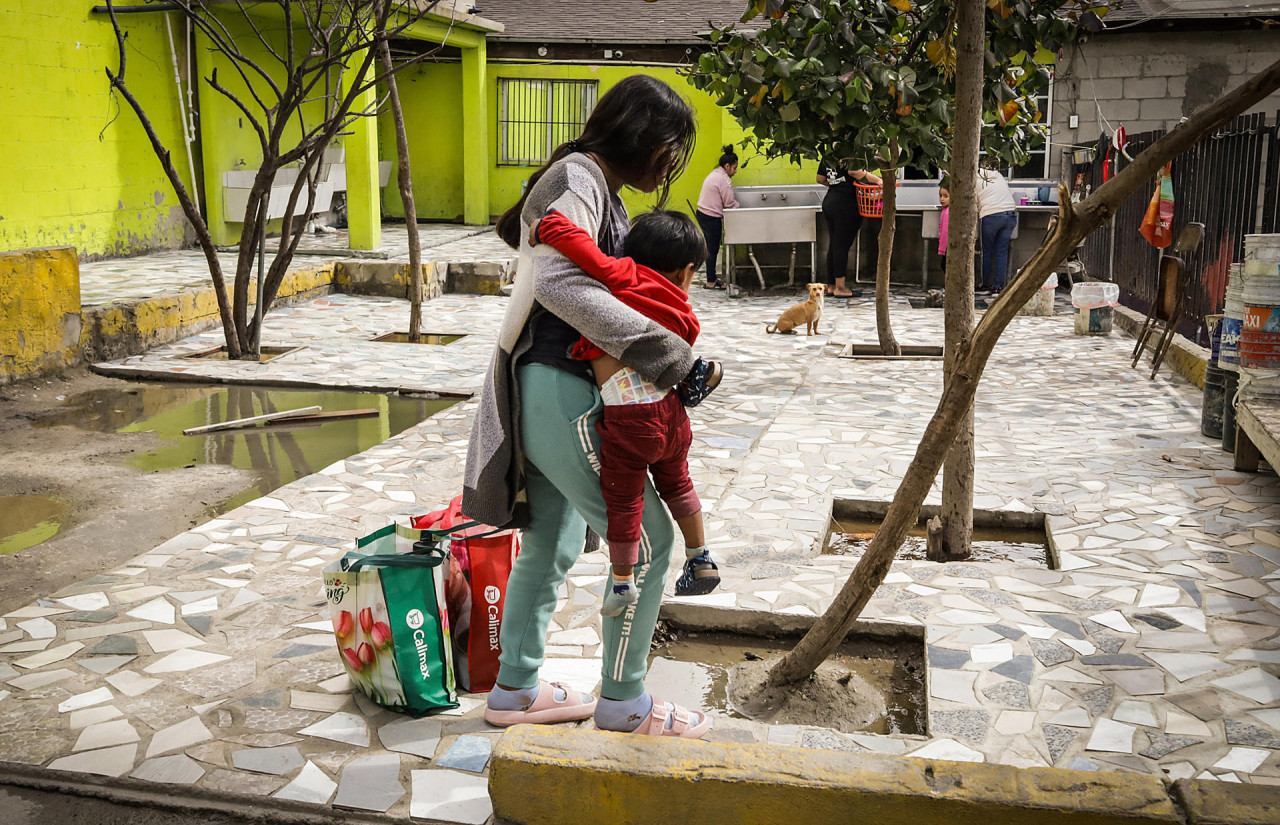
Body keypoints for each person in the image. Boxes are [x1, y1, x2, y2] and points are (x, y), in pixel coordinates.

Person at [463, 75, 713, 739]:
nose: (668, 164)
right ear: (640, 134)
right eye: (668, 148)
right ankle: (626, 701)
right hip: (560, 389)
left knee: (553, 539)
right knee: (656, 543)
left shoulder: (589, 181)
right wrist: (671, 356)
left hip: (546, 388)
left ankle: (515, 689)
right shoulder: (577, 174)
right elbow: (560, 282)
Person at [528, 208, 723, 617]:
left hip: (629, 419)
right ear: (687, 273)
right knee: (679, 485)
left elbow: (584, 252)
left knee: (624, 501)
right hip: (671, 415)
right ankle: (700, 557)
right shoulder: (685, 315)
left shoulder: (626, 276)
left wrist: (550, 225)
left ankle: (621, 583)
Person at [818, 162, 882, 298]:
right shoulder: (848, 150)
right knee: (842, 245)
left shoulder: (828, 153)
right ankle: (840, 288)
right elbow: (855, 172)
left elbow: (820, 178)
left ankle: (831, 286)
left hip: (830, 201)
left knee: (834, 244)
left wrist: (837, 184)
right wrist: (878, 180)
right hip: (847, 204)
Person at [694, 145, 741, 290]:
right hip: (711, 216)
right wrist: (739, 207)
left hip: (703, 213)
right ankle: (711, 281)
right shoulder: (724, 179)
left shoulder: (716, 174)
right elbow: (729, 203)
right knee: (712, 249)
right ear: (727, 166)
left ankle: (712, 278)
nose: (735, 171)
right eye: (734, 168)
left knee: (711, 247)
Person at [977, 166, 1017, 293]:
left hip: (991, 215)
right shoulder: (998, 175)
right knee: (1002, 252)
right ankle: (997, 287)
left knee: (987, 251)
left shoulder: (974, 180)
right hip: (1010, 214)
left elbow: (973, 204)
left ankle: (985, 284)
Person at [937, 181, 950, 274]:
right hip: (946, 246)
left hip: (947, 246)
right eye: (940, 196)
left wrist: (943, 247)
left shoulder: (947, 212)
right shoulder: (945, 210)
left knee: (945, 266)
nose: (942, 199)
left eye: (945, 196)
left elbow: (945, 231)